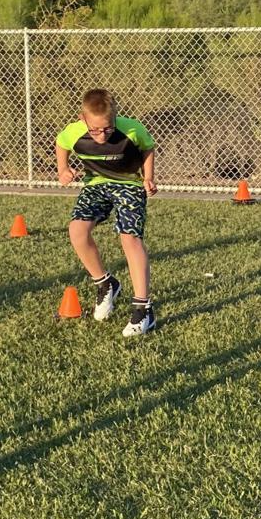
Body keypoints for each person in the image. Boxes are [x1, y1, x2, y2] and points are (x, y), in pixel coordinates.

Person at [55, 88, 158, 336]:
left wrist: (149, 177)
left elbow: (148, 148)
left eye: (108, 129)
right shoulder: (75, 132)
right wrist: (63, 169)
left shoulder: (131, 128)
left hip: (129, 184)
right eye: (95, 130)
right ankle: (106, 283)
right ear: (83, 119)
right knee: (77, 230)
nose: (102, 135)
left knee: (129, 238)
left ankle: (143, 308)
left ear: (116, 117)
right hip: (96, 184)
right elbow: (61, 143)